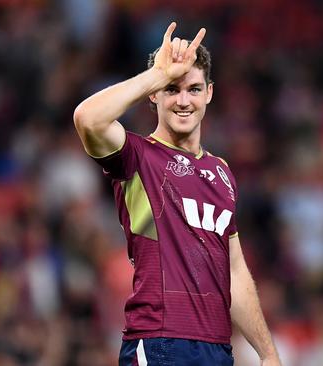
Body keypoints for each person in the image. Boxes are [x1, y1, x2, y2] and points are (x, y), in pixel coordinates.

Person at [74, 22, 281, 366]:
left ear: (209, 93)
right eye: (172, 89)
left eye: (194, 89)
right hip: (159, 340)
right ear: (154, 95)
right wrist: (155, 75)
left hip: (217, 349)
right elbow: (87, 119)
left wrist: (268, 353)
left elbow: (234, 269)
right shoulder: (138, 157)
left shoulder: (222, 172)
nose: (184, 101)